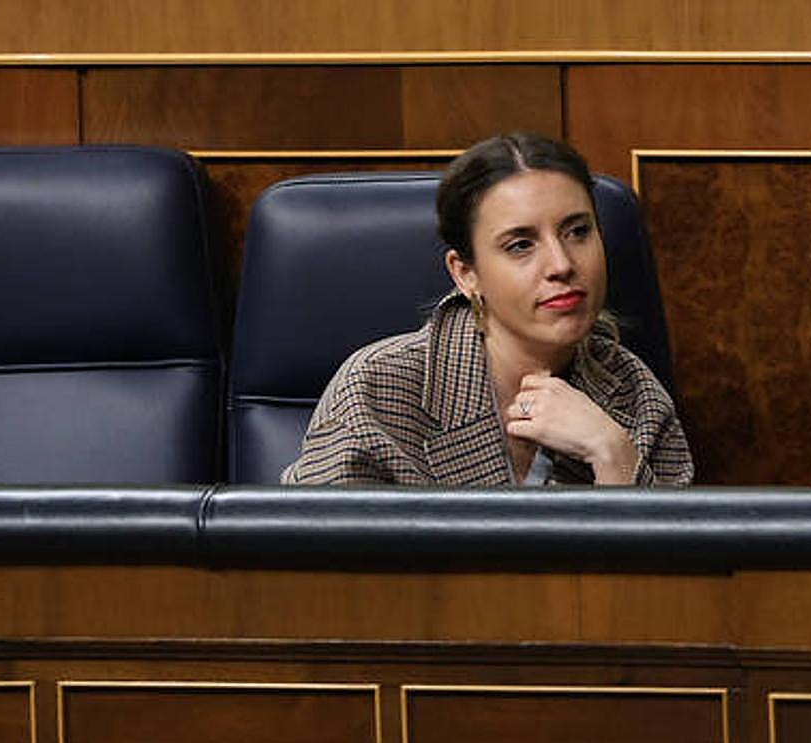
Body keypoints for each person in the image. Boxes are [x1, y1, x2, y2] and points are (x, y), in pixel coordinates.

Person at [281, 133, 694, 486]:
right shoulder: (376, 387)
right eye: (520, 245)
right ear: (466, 274)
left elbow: (683, 573)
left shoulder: (634, 392)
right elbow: (306, 562)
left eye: (578, 231)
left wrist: (613, 456)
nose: (562, 264)